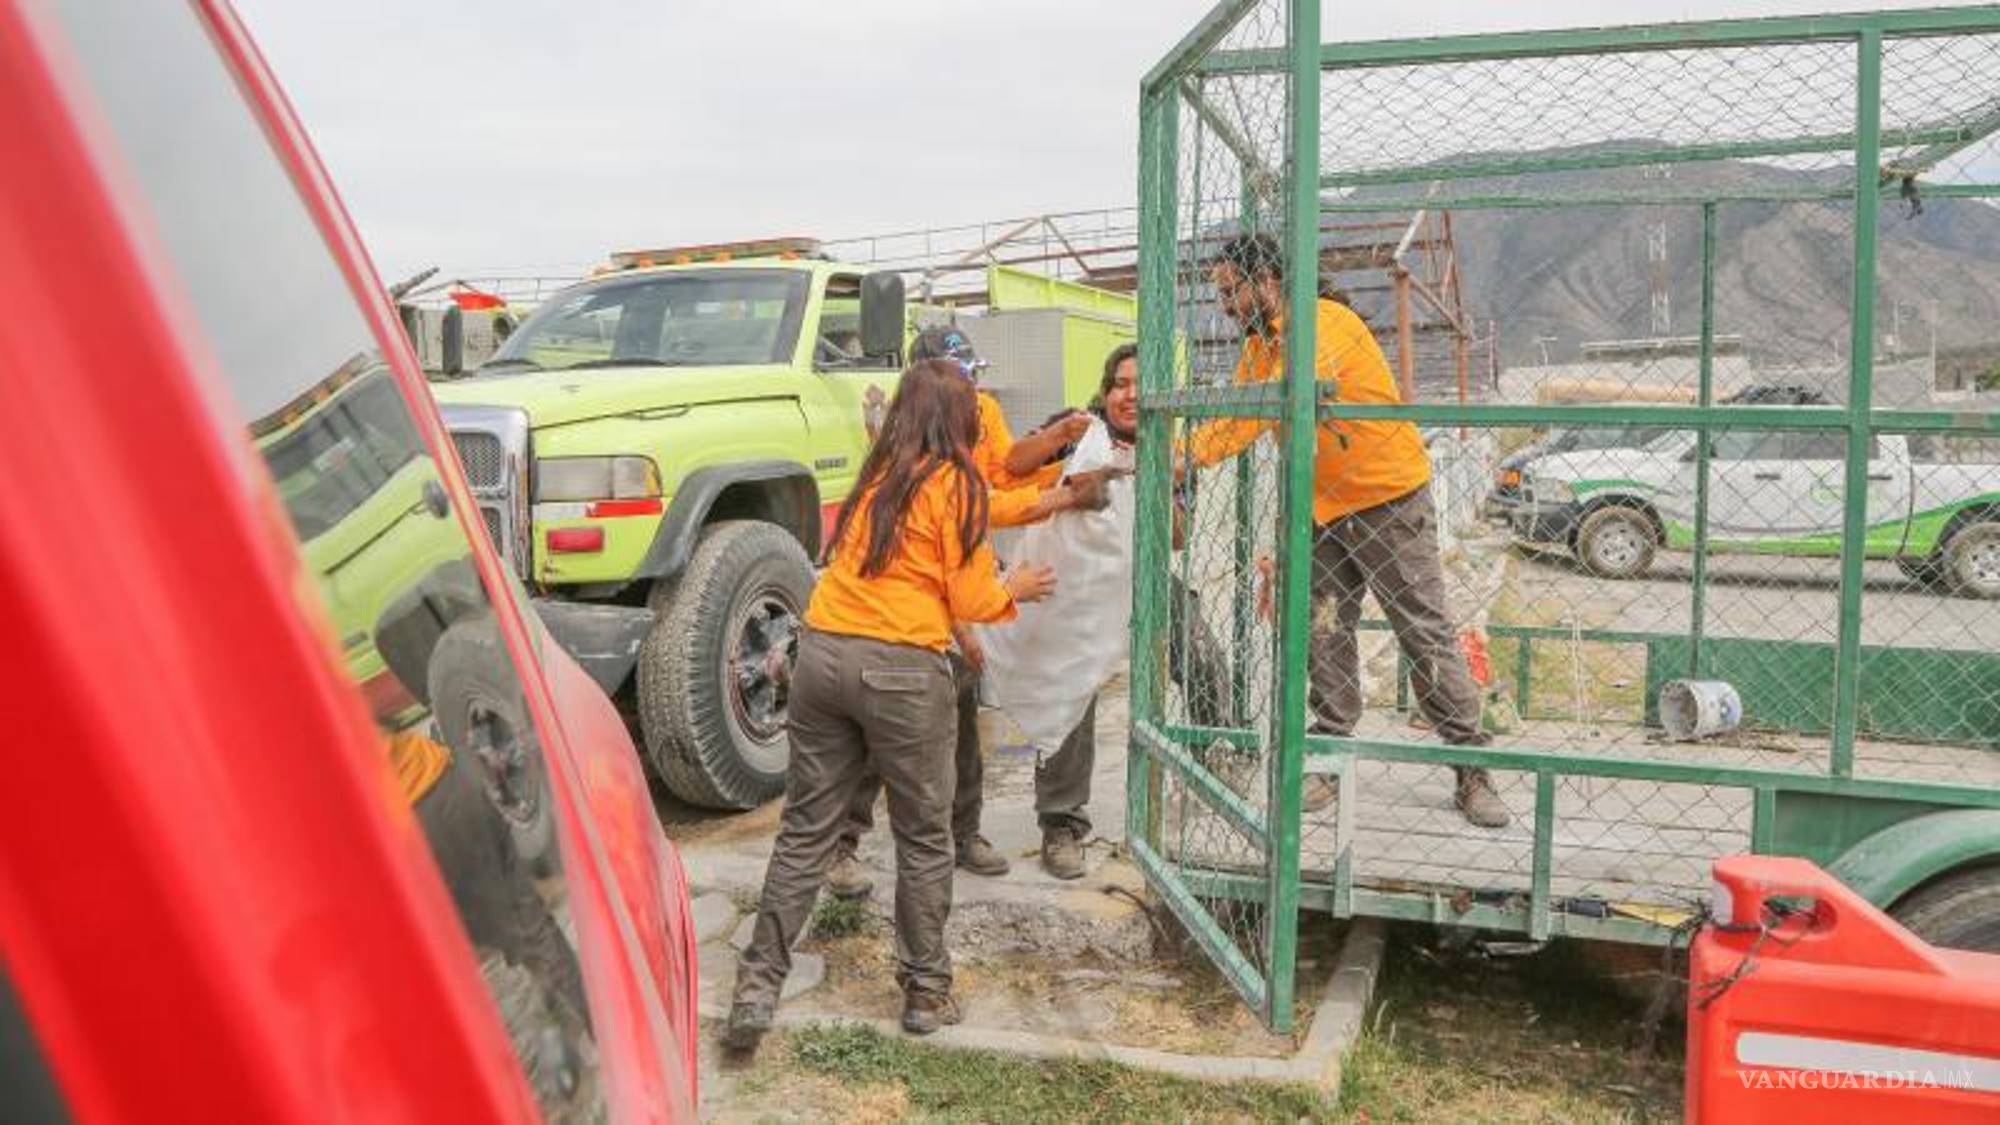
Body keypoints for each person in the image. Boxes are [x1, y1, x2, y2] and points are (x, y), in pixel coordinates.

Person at [722, 358, 1057, 1052]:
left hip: (821, 657)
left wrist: (1055, 498)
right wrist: (1015, 585)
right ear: (961, 417)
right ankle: (926, 990)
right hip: (903, 670)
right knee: (924, 834)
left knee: (806, 829)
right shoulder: (956, 481)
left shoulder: (881, 474)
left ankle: (757, 986)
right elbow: (968, 598)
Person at [1185, 233, 1510, 829]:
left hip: (1388, 498)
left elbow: (1292, 389)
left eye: (1233, 290)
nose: (1226, 304)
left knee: (1422, 629)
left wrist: (1199, 449)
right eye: (1222, 293)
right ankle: (1329, 754)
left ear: (1270, 282)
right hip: (1323, 508)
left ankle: (1471, 767)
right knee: (1324, 628)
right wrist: (1188, 455)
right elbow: (1241, 414)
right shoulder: (1260, 345)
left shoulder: (1323, 320)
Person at [824, 327, 1102, 896]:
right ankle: (843, 845)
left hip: (956, 573)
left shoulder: (980, 415)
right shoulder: (899, 459)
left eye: (973, 375)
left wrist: (1057, 469)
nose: (972, 390)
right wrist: (977, 616)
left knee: (960, 711)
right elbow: (956, 532)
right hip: (904, 615)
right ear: (925, 388)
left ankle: (961, 831)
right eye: (960, 379)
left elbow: (998, 483)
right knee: (892, 719)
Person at [1001, 343, 1232, 878]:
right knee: (1071, 689)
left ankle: (1214, 760)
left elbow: (1176, 538)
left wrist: (1156, 477)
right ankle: (1060, 824)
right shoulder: (1077, 431)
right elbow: (1013, 466)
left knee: (1198, 649)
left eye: (1141, 384)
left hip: (1140, 579)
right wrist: (1060, 437)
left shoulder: (1169, 447)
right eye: (1121, 384)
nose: (1131, 394)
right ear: (1106, 392)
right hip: (1074, 585)